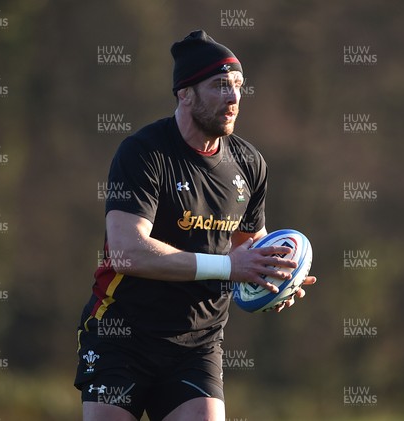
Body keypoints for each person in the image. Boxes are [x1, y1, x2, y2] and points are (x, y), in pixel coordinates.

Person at [74, 29, 317, 421]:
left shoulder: (250, 165)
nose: (234, 97)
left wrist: (273, 277)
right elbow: (126, 251)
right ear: (185, 93)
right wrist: (230, 267)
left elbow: (247, 249)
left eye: (238, 85)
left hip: (197, 343)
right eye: (220, 85)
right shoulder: (144, 153)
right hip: (121, 334)